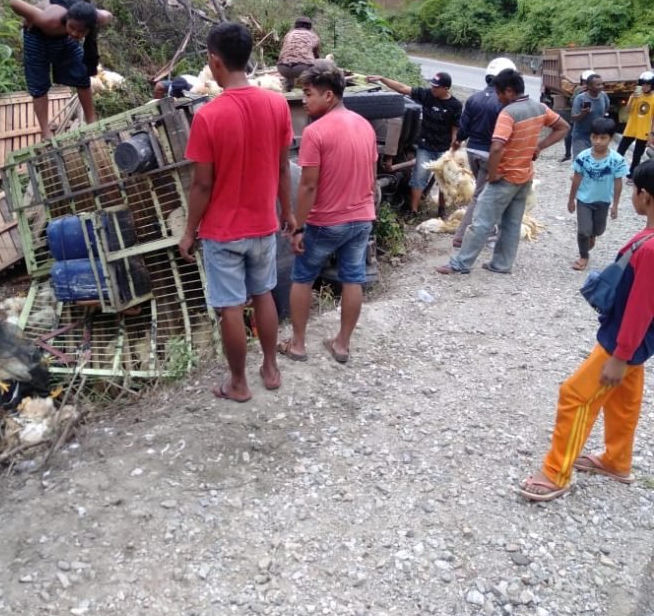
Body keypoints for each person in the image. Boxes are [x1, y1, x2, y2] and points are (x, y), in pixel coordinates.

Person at [519, 160, 654, 502]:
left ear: (645, 196)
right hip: (637, 340)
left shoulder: (651, 248)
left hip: (623, 340)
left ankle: (555, 472)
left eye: (634, 190)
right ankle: (616, 460)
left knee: (575, 396)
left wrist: (620, 355)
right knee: (624, 399)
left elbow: (641, 307)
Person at [178, 22, 295, 403]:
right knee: (263, 293)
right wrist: (288, 212)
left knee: (229, 306)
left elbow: (202, 185)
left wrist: (189, 231)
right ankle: (271, 368)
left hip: (223, 232)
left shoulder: (209, 116)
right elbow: (281, 168)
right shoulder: (277, 105)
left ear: (215, 61)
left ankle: (238, 383)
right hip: (264, 224)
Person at [280, 60, 377, 364]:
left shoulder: (316, 132)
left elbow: (308, 186)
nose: (305, 101)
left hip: (326, 222)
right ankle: (342, 345)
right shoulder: (364, 125)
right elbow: (372, 178)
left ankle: (297, 345)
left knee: (303, 277)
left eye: (308, 94)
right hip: (362, 218)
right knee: (352, 279)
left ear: (329, 96)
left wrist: (298, 227)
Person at [436, 69, 569, 275]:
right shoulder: (540, 107)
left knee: (480, 221)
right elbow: (563, 127)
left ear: (508, 91)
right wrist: (539, 146)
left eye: (498, 93)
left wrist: (494, 172)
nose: (497, 98)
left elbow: (497, 146)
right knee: (512, 223)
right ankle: (502, 264)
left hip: (505, 176)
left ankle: (460, 263)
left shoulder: (508, 113)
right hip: (524, 176)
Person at [9, 0, 114, 140]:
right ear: (67, 20)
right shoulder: (49, 21)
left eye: (81, 31)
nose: (75, 33)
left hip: (64, 38)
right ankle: (46, 133)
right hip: (36, 36)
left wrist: (74, 30)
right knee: (39, 86)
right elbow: (14, 1)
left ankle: (92, 123)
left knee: (82, 75)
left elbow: (108, 15)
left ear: (89, 28)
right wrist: (33, 16)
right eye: (72, 27)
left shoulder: (95, 19)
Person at [369, 71, 462, 216]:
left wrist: (452, 150)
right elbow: (402, 88)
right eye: (432, 85)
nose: (433, 89)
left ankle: (441, 211)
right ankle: (414, 210)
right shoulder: (427, 95)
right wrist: (382, 78)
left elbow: (454, 128)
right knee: (418, 178)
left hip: (443, 148)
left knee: (444, 181)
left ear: (446, 88)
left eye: (436, 87)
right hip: (425, 146)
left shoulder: (455, 105)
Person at [451, 57, 515, 248]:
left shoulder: (473, 98)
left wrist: (457, 142)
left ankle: (486, 229)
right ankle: (462, 235)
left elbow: (463, 130)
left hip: (472, 151)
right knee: (482, 195)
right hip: (491, 153)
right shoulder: (504, 102)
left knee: (484, 191)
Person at [568, 117, 627, 271]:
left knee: (599, 230)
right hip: (584, 199)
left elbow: (618, 183)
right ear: (590, 136)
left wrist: (615, 205)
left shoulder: (617, 160)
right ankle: (583, 255)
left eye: (603, 138)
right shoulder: (583, 157)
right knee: (583, 231)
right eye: (594, 137)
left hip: (603, 201)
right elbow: (576, 179)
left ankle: (592, 236)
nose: (598, 141)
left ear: (611, 138)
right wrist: (571, 200)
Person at [617, 71, 654, 178]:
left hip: (644, 130)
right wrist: (633, 97)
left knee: (637, 155)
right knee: (620, 150)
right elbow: (628, 110)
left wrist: (652, 134)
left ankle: (632, 174)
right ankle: (615, 170)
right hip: (631, 129)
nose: (645, 86)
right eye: (643, 84)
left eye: (647, 84)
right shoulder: (635, 95)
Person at [570, 73, 610, 159]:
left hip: (596, 136)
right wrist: (583, 114)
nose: (601, 86)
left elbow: (606, 109)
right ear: (589, 86)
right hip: (581, 137)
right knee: (580, 163)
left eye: (602, 84)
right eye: (598, 85)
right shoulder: (580, 98)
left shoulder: (603, 96)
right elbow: (573, 117)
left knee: (595, 162)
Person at [277, 17, 321, 92]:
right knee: (316, 68)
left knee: (289, 61)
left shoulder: (288, 35)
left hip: (282, 68)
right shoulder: (313, 36)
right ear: (310, 26)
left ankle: (287, 89)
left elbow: (285, 51)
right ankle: (311, 91)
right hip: (302, 68)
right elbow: (316, 56)